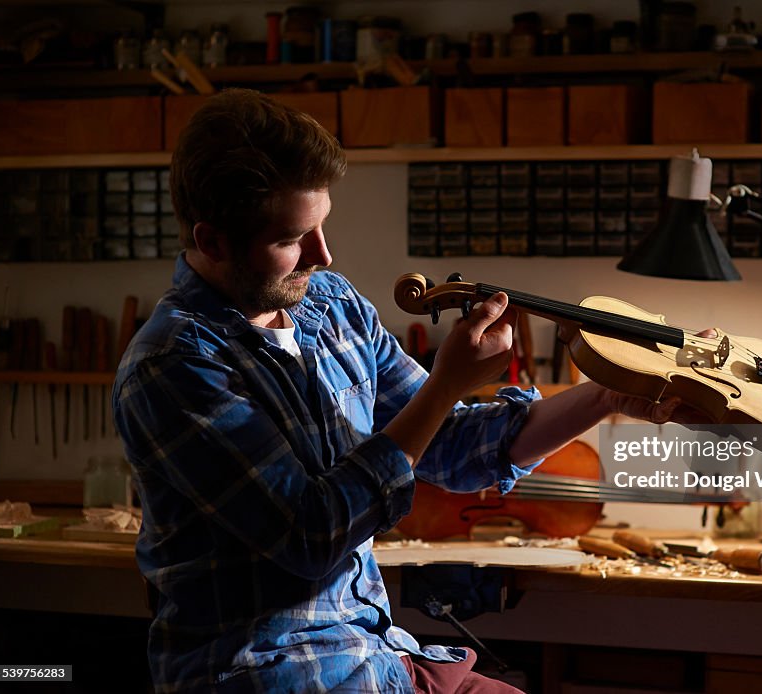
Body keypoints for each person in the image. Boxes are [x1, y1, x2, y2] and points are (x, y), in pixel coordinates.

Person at [113, 89, 692, 693]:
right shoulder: (173, 366)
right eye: (292, 239)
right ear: (212, 242)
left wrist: (608, 394)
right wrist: (443, 386)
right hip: (270, 673)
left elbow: (451, 447)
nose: (323, 254)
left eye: (322, 226)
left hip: (377, 654)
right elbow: (313, 534)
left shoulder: (332, 307)